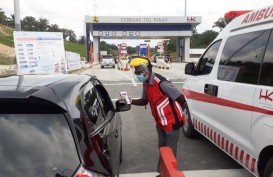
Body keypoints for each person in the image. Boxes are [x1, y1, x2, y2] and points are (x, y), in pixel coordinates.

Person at [126, 57, 186, 176]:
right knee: (163, 150)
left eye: (138, 71)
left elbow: (180, 98)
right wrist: (129, 101)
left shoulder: (161, 83)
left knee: (170, 153)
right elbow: (144, 101)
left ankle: (168, 174)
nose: (137, 74)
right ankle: (161, 173)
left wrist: (182, 114)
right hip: (160, 123)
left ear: (145, 69)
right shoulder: (146, 83)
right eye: (136, 72)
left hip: (172, 123)